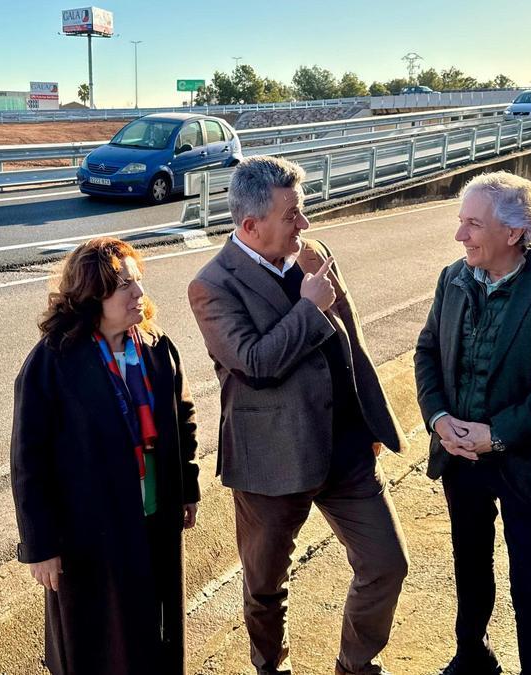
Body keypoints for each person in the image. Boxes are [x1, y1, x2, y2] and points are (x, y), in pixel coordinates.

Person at [188, 155, 409, 675]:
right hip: (272, 461)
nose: (304, 225)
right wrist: (308, 308)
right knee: (265, 585)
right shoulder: (212, 286)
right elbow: (256, 364)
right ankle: (272, 668)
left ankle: (356, 667)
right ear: (250, 225)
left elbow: (350, 344)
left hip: (347, 452)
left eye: (302, 210)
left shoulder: (315, 255)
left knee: (385, 565)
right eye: (292, 215)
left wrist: (368, 420)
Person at [414, 171, 531, 675]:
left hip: (529, 460)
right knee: (470, 568)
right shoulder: (453, 277)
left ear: (514, 233)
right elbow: (428, 349)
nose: (460, 236)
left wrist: (497, 433)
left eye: (472, 224)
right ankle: (473, 656)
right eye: (461, 222)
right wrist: (438, 417)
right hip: (460, 456)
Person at [11, 237, 200, 675]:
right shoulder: (53, 361)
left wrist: (186, 488)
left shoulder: (155, 347)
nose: (139, 294)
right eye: (124, 287)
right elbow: (28, 460)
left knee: (154, 629)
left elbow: (182, 419)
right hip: (87, 531)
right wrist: (40, 546)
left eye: (138, 282)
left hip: (153, 514)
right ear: (92, 296)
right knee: (99, 639)